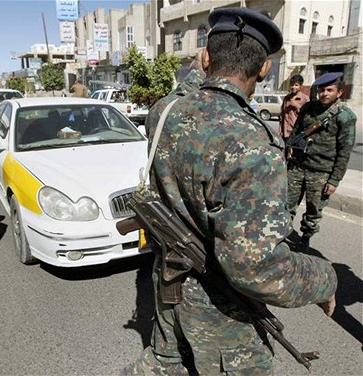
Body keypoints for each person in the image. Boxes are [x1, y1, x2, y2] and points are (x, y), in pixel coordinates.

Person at [123, 8, 337, 375]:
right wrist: (324, 279)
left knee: (165, 365)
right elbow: (256, 268)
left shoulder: (165, 112)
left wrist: (201, 69)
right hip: (220, 317)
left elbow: (186, 90)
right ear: (265, 68)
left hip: (169, 289)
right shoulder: (252, 142)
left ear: (205, 57)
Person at [286, 72, 357, 248]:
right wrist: (289, 149)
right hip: (298, 166)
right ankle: (282, 234)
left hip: (321, 172)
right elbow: (296, 132)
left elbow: (344, 151)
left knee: (313, 210)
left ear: (339, 92)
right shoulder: (308, 108)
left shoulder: (345, 117)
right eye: (322, 90)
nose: (324, 93)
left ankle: (304, 239)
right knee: (286, 204)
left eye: (329, 90)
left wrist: (334, 180)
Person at [279, 74, 310, 142]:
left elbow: (308, 116)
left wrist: (297, 106)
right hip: (285, 133)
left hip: (297, 133)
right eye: (292, 84)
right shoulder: (286, 98)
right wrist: (281, 131)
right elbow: (282, 116)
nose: (293, 87)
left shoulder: (305, 99)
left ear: (300, 86)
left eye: (296, 85)